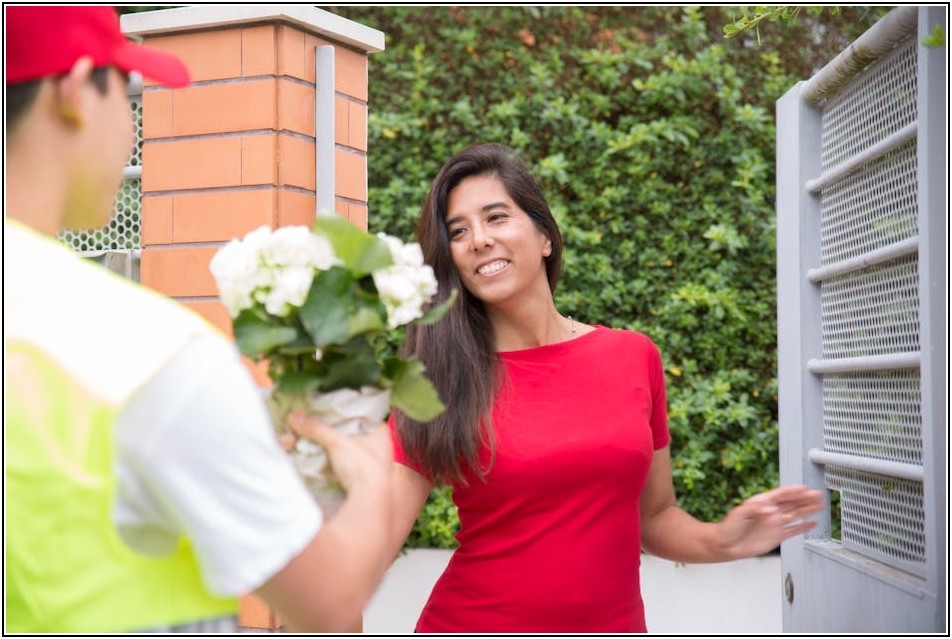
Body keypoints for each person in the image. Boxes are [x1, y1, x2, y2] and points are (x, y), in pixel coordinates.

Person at [4, 6, 393, 633]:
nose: (131, 132)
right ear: (77, 91)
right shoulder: (147, 353)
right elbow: (332, 603)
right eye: (126, 98)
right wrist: (375, 477)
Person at [385, 142, 825, 633]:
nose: (479, 240)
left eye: (496, 217)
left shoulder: (634, 357)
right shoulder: (441, 379)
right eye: (458, 232)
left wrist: (725, 539)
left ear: (545, 236)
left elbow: (654, 517)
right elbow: (371, 541)